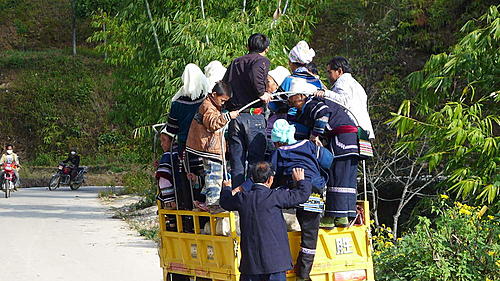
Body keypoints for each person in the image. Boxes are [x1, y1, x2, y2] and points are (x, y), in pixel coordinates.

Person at [220, 163, 311, 281]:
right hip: (275, 265)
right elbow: (302, 195)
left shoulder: (243, 198)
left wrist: (227, 188)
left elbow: (225, 202)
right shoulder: (275, 196)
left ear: (252, 179)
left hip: (251, 266)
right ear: (270, 179)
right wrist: (300, 181)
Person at [287, 82, 359, 228]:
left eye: (293, 98)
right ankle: (344, 216)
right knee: (346, 178)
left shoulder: (313, 103)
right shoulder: (311, 106)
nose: (292, 102)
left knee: (337, 176)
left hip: (342, 140)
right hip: (351, 140)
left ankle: (333, 216)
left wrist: (314, 135)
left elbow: (322, 115)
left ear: (302, 96)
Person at [270, 119, 333, 281]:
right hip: (314, 193)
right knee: (310, 235)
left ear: (277, 141)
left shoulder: (279, 152)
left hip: (293, 194)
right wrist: (318, 145)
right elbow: (328, 160)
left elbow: (271, 177)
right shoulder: (308, 144)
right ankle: (303, 275)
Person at [223, 33, 272, 188]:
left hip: (236, 116)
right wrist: (261, 93)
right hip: (254, 115)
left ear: (247, 47)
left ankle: (238, 195)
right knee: (255, 162)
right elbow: (255, 75)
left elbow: (225, 84)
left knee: (237, 161)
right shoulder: (261, 60)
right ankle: (252, 193)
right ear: (267, 48)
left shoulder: (235, 62)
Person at [186, 81, 239, 213]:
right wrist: (227, 116)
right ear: (214, 94)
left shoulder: (210, 104)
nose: (223, 103)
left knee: (212, 174)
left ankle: (204, 199)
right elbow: (212, 124)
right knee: (214, 176)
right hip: (210, 149)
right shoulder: (208, 107)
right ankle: (213, 204)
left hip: (211, 148)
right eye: (222, 100)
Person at [314, 57, 375, 139]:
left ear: (339, 71)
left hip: (352, 130)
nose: (328, 76)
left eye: (330, 72)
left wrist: (325, 93)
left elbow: (344, 102)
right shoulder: (355, 84)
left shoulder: (342, 82)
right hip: (364, 130)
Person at [165, 63, 210, 153]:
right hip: (204, 145)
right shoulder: (206, 101)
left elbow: (171, 129)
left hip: (184, 146)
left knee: (187, 167)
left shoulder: (177, 103)